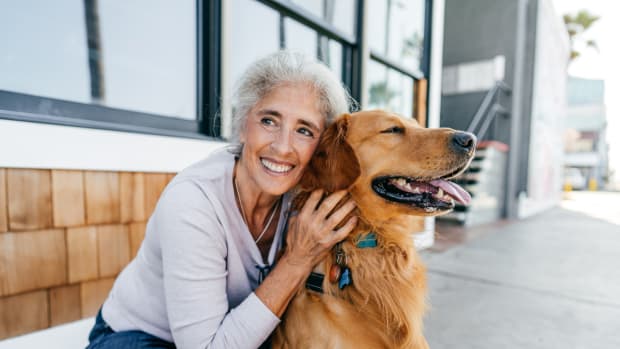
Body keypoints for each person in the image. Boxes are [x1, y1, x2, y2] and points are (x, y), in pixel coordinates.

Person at [85, 50, 358, 349]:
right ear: (242, 125)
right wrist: (297, 260)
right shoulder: (192, 203)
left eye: (304, 130)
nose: (282, 147)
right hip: (139, 336)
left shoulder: (302, 196)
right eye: (269, 121)